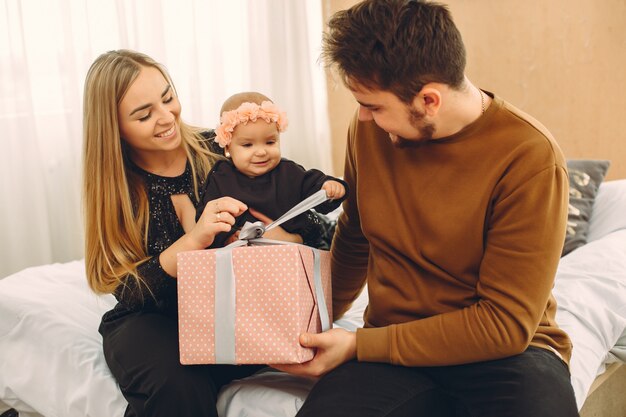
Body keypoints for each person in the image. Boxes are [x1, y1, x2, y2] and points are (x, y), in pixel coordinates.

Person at [274, 1, 579, 416]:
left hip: (508, 357)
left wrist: (360, 344)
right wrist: (310, 325)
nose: (362, 117)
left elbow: (504, 324)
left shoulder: (529, 157)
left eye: (374, 106)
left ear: (429, 100)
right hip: (390, 346)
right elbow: (356, 236)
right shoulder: (369, 133)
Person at [82, 49, 324, 417]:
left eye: (168, 98)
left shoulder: (226, 147)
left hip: (235, 307)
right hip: (152, 319)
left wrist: (293, 239)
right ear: (113, 127)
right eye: (144, 114)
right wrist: (194, 241)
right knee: (176, 387)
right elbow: (123, 289)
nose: (167, 118)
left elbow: (310, 217)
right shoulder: (117, 189)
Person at [196, 91, 347, 248]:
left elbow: (312, 185)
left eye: (270, 142)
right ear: (228, 147)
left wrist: (328, 187)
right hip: (240, 256)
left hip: (293, 248)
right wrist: (226, 238)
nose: (261, 152)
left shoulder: (288, 172)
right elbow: (208, 218)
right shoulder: (221, 178)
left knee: (318, 238)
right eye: (248, 145)